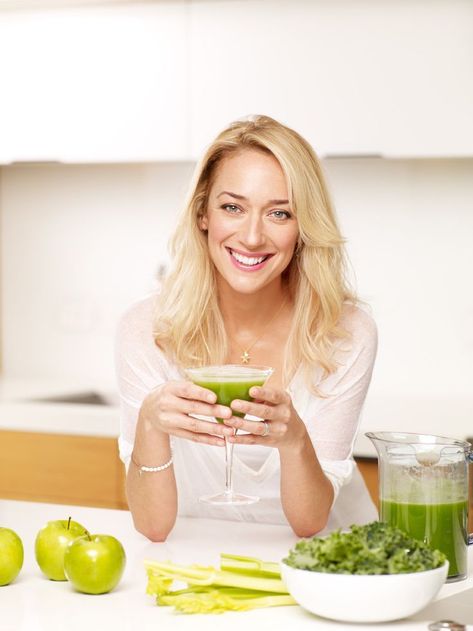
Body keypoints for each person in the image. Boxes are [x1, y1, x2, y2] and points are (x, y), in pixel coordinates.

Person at [115, 115, 378, 542]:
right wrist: (149, 423)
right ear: (203, 213)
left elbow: (310, 523)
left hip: (329, 566)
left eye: (279, 213)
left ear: (304, 227)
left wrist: (294, 439)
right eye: (232, 207)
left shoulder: (345, 332)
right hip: (206, 564)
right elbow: (153, 526)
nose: (253, 237)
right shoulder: (146, 329)